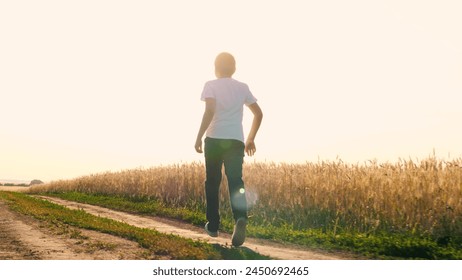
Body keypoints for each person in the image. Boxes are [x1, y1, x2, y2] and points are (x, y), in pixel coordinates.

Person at [194, 52, 263, 246]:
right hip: (235, 141)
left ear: (216, 67)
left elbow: (209, 110)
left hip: (215, 139)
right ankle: (240, 218)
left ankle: (214, 225)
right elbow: (258, 113)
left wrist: (199, 136)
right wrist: (250, 139)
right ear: (234, 68)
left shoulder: (211, 85)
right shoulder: (242, 87)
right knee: (235, 181)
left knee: (213, 181)